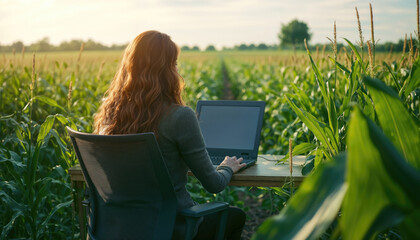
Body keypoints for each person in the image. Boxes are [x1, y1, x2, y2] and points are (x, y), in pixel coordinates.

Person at [93, 30, 246, 239]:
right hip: (171, 229)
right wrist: (227, 167)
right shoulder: (179, 116)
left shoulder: (109, 116)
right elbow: (214, 184)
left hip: (118, 229)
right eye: (174, 64)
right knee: (236, 216)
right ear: (166, 71)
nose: (176, 69)